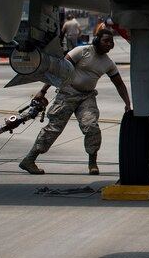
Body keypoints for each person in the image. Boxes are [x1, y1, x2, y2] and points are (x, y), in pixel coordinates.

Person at [19, 29, 131, 175]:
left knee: (91, 127)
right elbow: (60, 70)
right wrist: (43, 91)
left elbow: (119, 84)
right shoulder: (81, 51)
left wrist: (127, 103)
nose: (109, 44)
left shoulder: (108, 64)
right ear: (97, 40)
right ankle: (29, 159)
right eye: (106, 41)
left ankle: (92, 162)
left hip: (87, 97)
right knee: (54, 128)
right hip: (68, 92)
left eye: (111, 42)